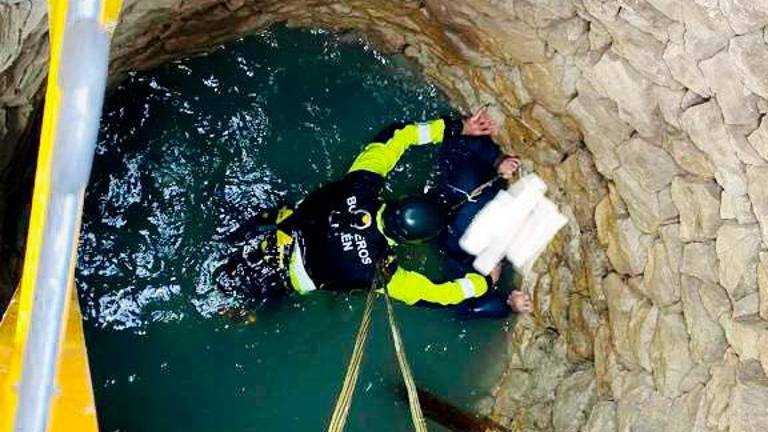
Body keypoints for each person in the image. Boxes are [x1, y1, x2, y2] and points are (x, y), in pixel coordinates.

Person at [215, 108, 533, 316]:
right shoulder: (380, 273)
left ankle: (232, 241)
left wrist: (457, 127)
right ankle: (236, 310)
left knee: (245, 246)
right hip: (286, 280)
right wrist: (483, 284)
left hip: (274, 234)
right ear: (411, 240)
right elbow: (435, 296)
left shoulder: (361, 186)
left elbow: (398, 135)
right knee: (249, 298)